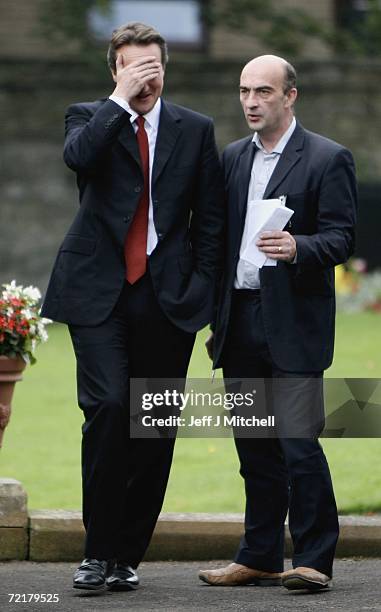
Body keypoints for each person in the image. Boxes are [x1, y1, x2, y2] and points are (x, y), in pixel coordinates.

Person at [41, 21, 223, 592]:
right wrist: (120, 103)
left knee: (154, 424)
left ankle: (126, 556)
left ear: (167, 68)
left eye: (153, 65)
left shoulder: (195, 129)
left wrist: (204, 289)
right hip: (98, 291)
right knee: (110, 408)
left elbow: (211, 220)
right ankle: (96, 553)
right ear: (114, 71)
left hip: (168, 299)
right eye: (132, 66)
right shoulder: (88, 118)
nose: (145, 75)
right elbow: (79, 158)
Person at [199, 55, 357, 591]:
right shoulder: (231, 158)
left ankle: (314, 559)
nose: (250, 101)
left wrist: (299, 247)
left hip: (294, 324)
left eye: (263, 91)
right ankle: (260, 554)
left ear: (290, 96)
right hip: (238, 319)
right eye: (244, 90)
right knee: (253, 446)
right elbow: (218, 242)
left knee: (297, 441)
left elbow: (341, 237)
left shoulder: (328, 158)